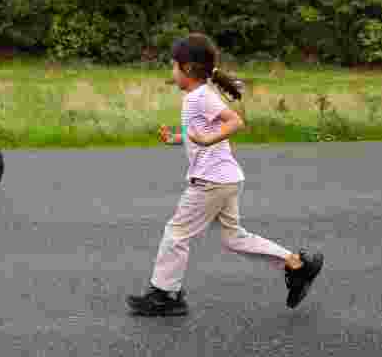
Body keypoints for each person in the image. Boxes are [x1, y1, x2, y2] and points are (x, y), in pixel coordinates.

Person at [126, 33, 324, 316]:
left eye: (174, 66)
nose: (172, 73)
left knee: (176, 233)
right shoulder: (199, 95)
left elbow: (235, 121)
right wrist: (177, 138)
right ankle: (296, 264)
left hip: (211, 181)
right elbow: (201, 131)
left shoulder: (200, 97)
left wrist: (206, 142)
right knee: (233, 238)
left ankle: (165, 295)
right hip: (226, 179)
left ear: (189, 69)